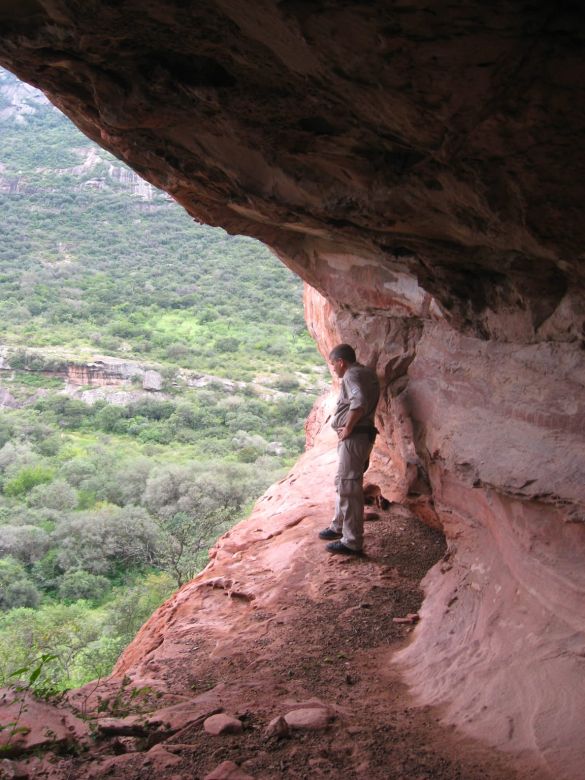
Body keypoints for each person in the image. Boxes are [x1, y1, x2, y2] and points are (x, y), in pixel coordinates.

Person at [319, 344, 380, 555]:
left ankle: (352, 541)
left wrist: (348, 427)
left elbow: (359, 401)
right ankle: (338, 526)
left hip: (355, 437)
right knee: (343, 481)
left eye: (333, 364)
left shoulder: (352, 375)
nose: (333, 369)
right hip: (361, 436)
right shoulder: (364, 373)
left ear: (341, 362)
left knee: (348, 485)